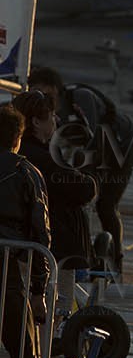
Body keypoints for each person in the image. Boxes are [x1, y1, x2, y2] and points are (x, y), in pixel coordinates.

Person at [0, 105, 72, 358]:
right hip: (7, 278)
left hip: (8, 270)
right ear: (18, 139)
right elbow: (42, 237)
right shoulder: (27, 172)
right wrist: (39, 292)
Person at [27, 67, 133, 274]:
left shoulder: (80, 98)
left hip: (120, 145)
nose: (40, 98)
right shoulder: (45, 111)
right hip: (91, 147)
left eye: (44, 93)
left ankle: (116, 263)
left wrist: (82, 180)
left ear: (55, 90)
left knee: (106, 204)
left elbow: (93, 141)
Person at [11, 91, 96, 291]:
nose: (56, 119)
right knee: (56, 312)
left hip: (21, 250)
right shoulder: (46, 160)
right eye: (51, 115)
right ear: (36, 122)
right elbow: (85, 189)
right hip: (53, 255)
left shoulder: (17, 154)